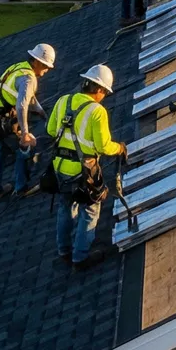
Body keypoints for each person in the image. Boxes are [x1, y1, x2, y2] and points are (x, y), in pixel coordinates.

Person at [48, 63, 126, 270]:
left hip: (59, 168)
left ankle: (63, 250)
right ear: (99, 89)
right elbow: (103, 146)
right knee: (90, 210)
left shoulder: (63, 100)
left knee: (65, 208)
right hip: (82, 173)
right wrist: (119, 148)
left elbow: (50, 130)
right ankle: (80, 258)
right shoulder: (97, 111)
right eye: (104, 93)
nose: (104, 97)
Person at [0, 43, 53, 201]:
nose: (47, 70)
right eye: (45, 66)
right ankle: (21, 188)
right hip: (3, 119)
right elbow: (22, 105)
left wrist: (43, 114)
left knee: (0, 150)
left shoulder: (18, 68)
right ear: (36, 62)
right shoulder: (28, 78)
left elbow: (30, 99)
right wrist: (25, 133)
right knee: (24, 149)